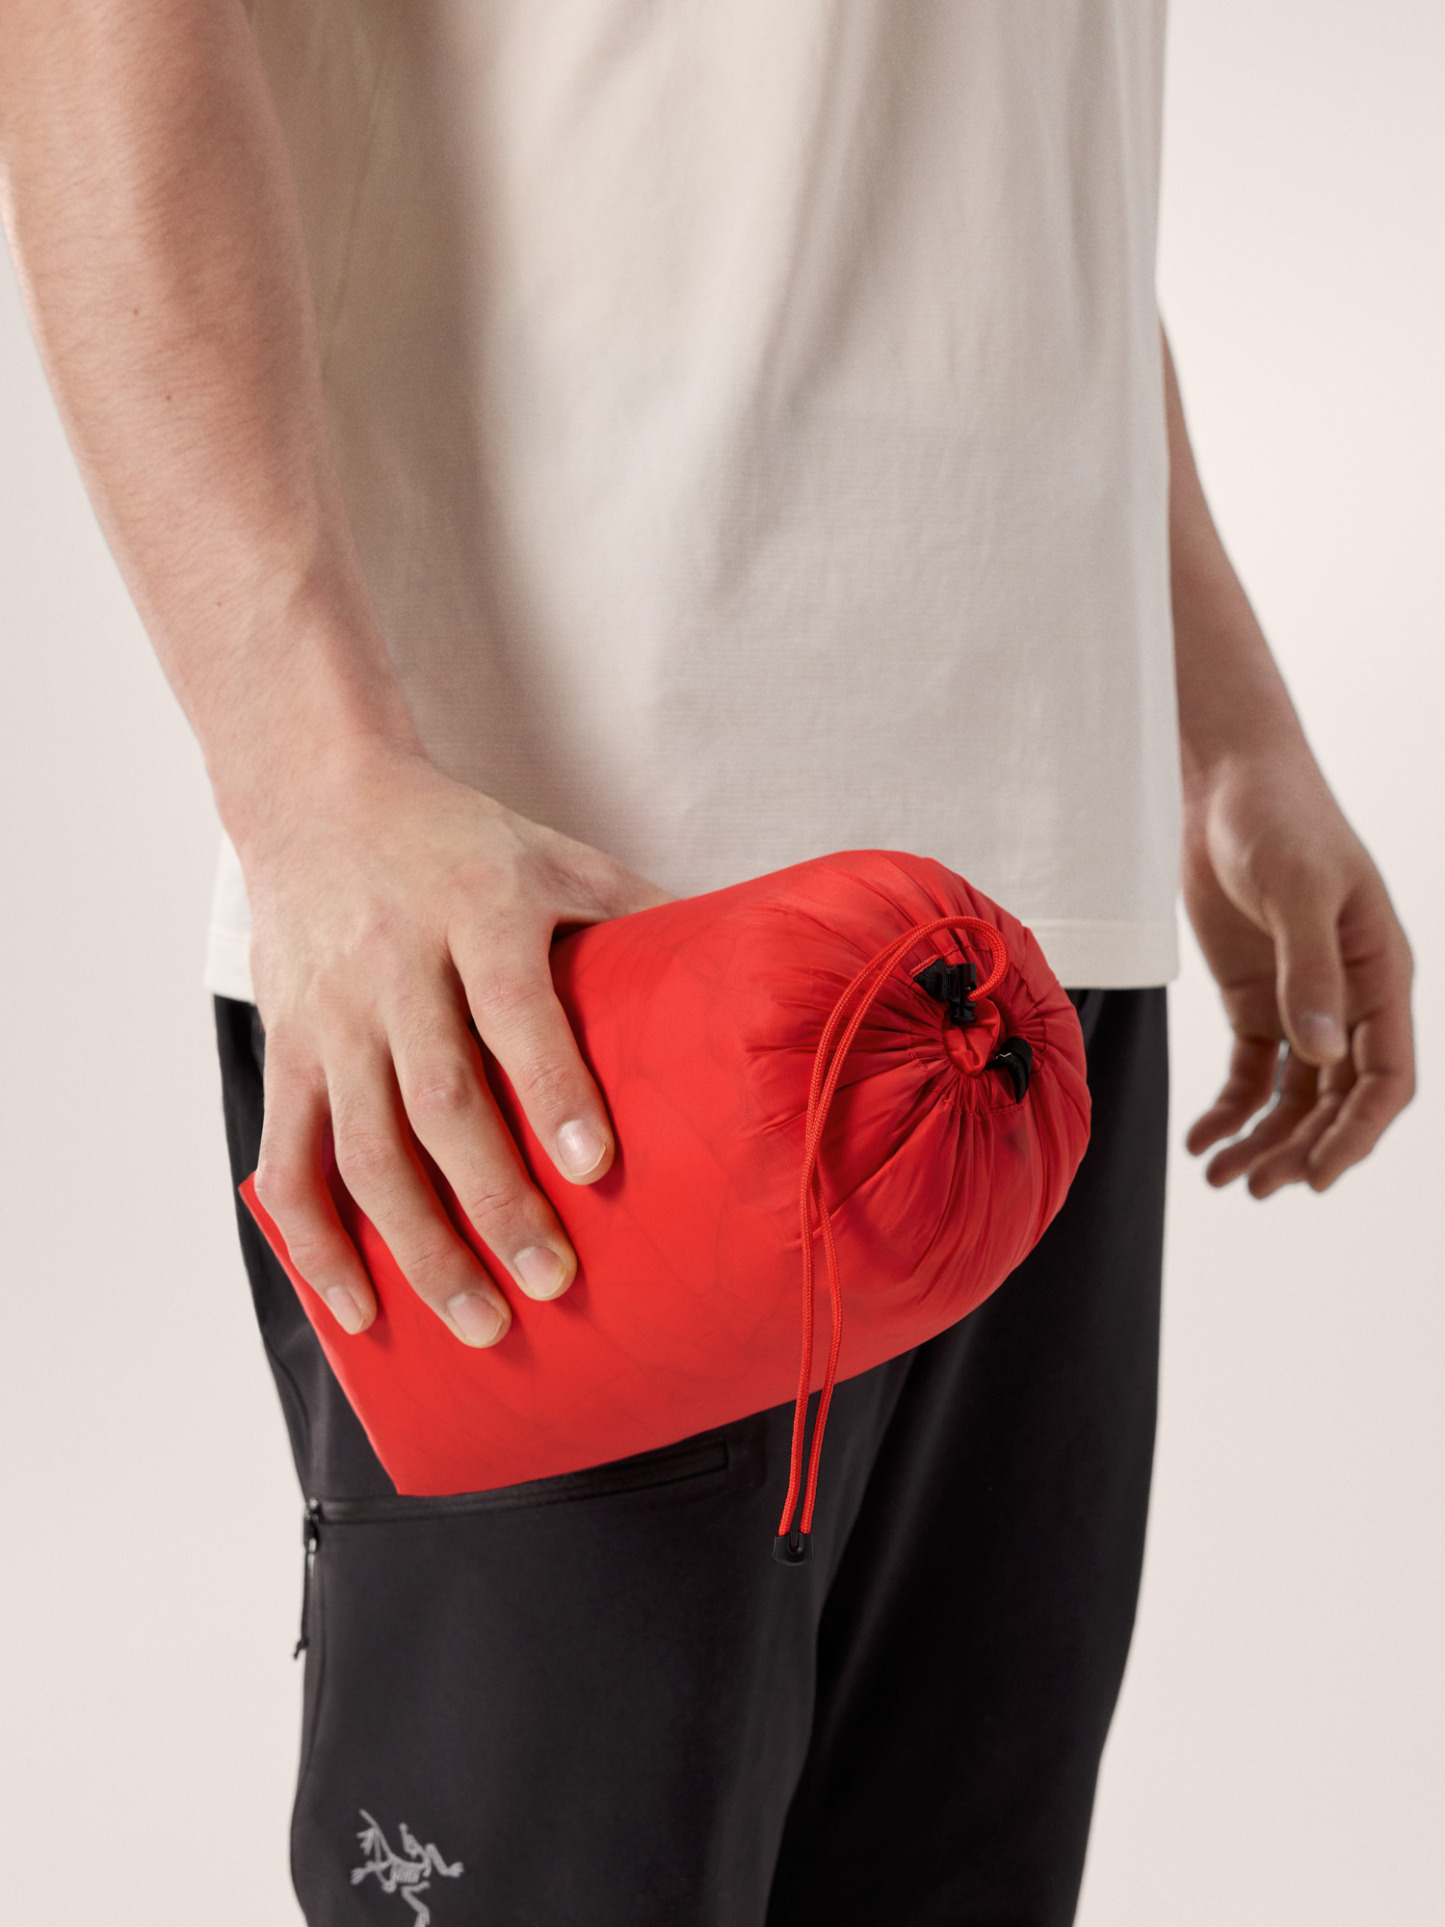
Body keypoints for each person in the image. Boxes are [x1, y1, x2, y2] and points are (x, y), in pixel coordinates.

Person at [0, 5, 1414, 1924]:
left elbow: (983, 151)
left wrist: (1221, 724)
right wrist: (305, 777)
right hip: (580, 943)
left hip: (1023, 963)